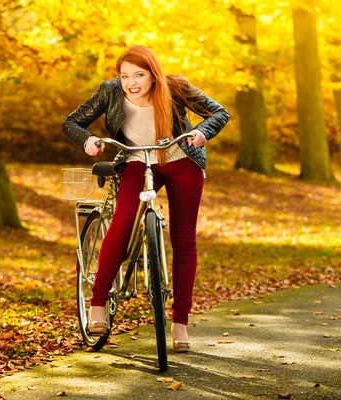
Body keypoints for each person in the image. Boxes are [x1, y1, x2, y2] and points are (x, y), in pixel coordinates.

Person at [62, 45, 229, 352]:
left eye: (139, 74)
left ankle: (180, 325)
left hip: (182, 161)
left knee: (183, 239)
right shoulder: (110, 92)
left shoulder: (176, 87)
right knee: (123, 220)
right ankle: (98, 304)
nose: (131, 82)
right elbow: (71, 123)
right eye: (125, 75)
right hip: (137, 161)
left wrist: (204, 131)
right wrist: (86, 139)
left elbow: (220, 112)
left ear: (153, 74)